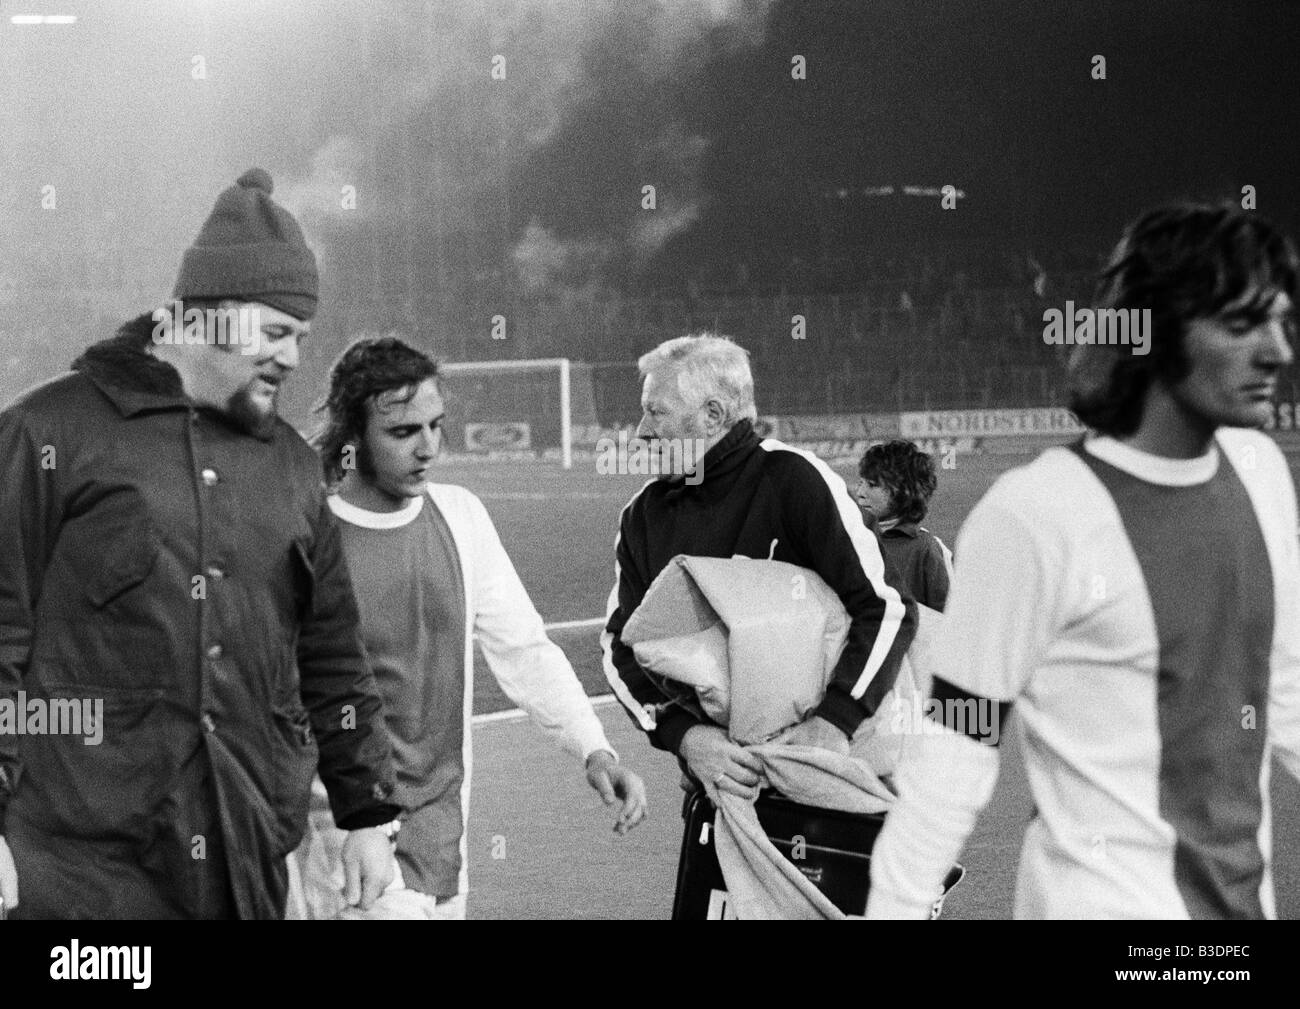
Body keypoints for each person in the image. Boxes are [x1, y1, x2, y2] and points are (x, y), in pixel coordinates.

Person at [867, 203, 1300, 919]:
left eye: (1281, 320)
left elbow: (1282, 690)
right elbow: (955, 746)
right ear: (1156, 332)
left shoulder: (1259, 471)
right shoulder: (1034, 516)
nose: (1279, 350)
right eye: (1242, 323)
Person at [0, 169, 400, 920]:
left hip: (240, 859)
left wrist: (368, 810)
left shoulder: (290, 465)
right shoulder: (47, 431)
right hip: (76, 872)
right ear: (203, 316)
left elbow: (333, 654)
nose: (291, 357)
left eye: (302, 338)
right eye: (276, 332)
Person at [295, 336, 648, 920]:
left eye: (436, 425)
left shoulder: (460, 517)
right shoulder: (311, 536)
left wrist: (594, 748)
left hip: (444, 840)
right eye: (404, 432)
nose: (428, 447)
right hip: (350, 841)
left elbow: (524, 648)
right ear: (353, 435)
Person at [603, 334, 918, 797]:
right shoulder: (642, 517)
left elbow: (887, 610)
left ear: (712, 415)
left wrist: (834, 723)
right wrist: (686, 736)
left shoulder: (794, 481)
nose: (641, 431)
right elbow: (621, 645)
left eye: (657, 411)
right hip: (722, 787)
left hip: (831, 766)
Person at [854, 439, 953, 610]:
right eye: (861, 483)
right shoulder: (846, 541)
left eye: (872, 485)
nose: (860, 493)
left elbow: (952, 620)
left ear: (902, 491)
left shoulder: (926, 549)